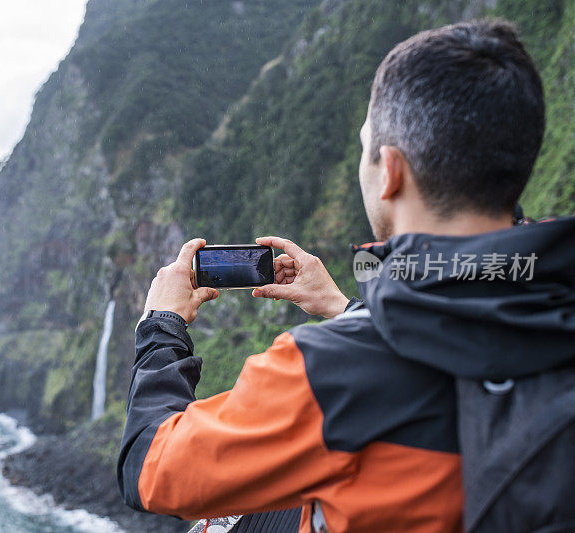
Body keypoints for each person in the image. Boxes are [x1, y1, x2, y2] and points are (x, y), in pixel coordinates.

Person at [117, 19, 575, 532]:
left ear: (392, 172)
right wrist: (344, 305)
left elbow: (150, 468)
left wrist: (162, 325)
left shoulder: (326, 371)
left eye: (366, 149)